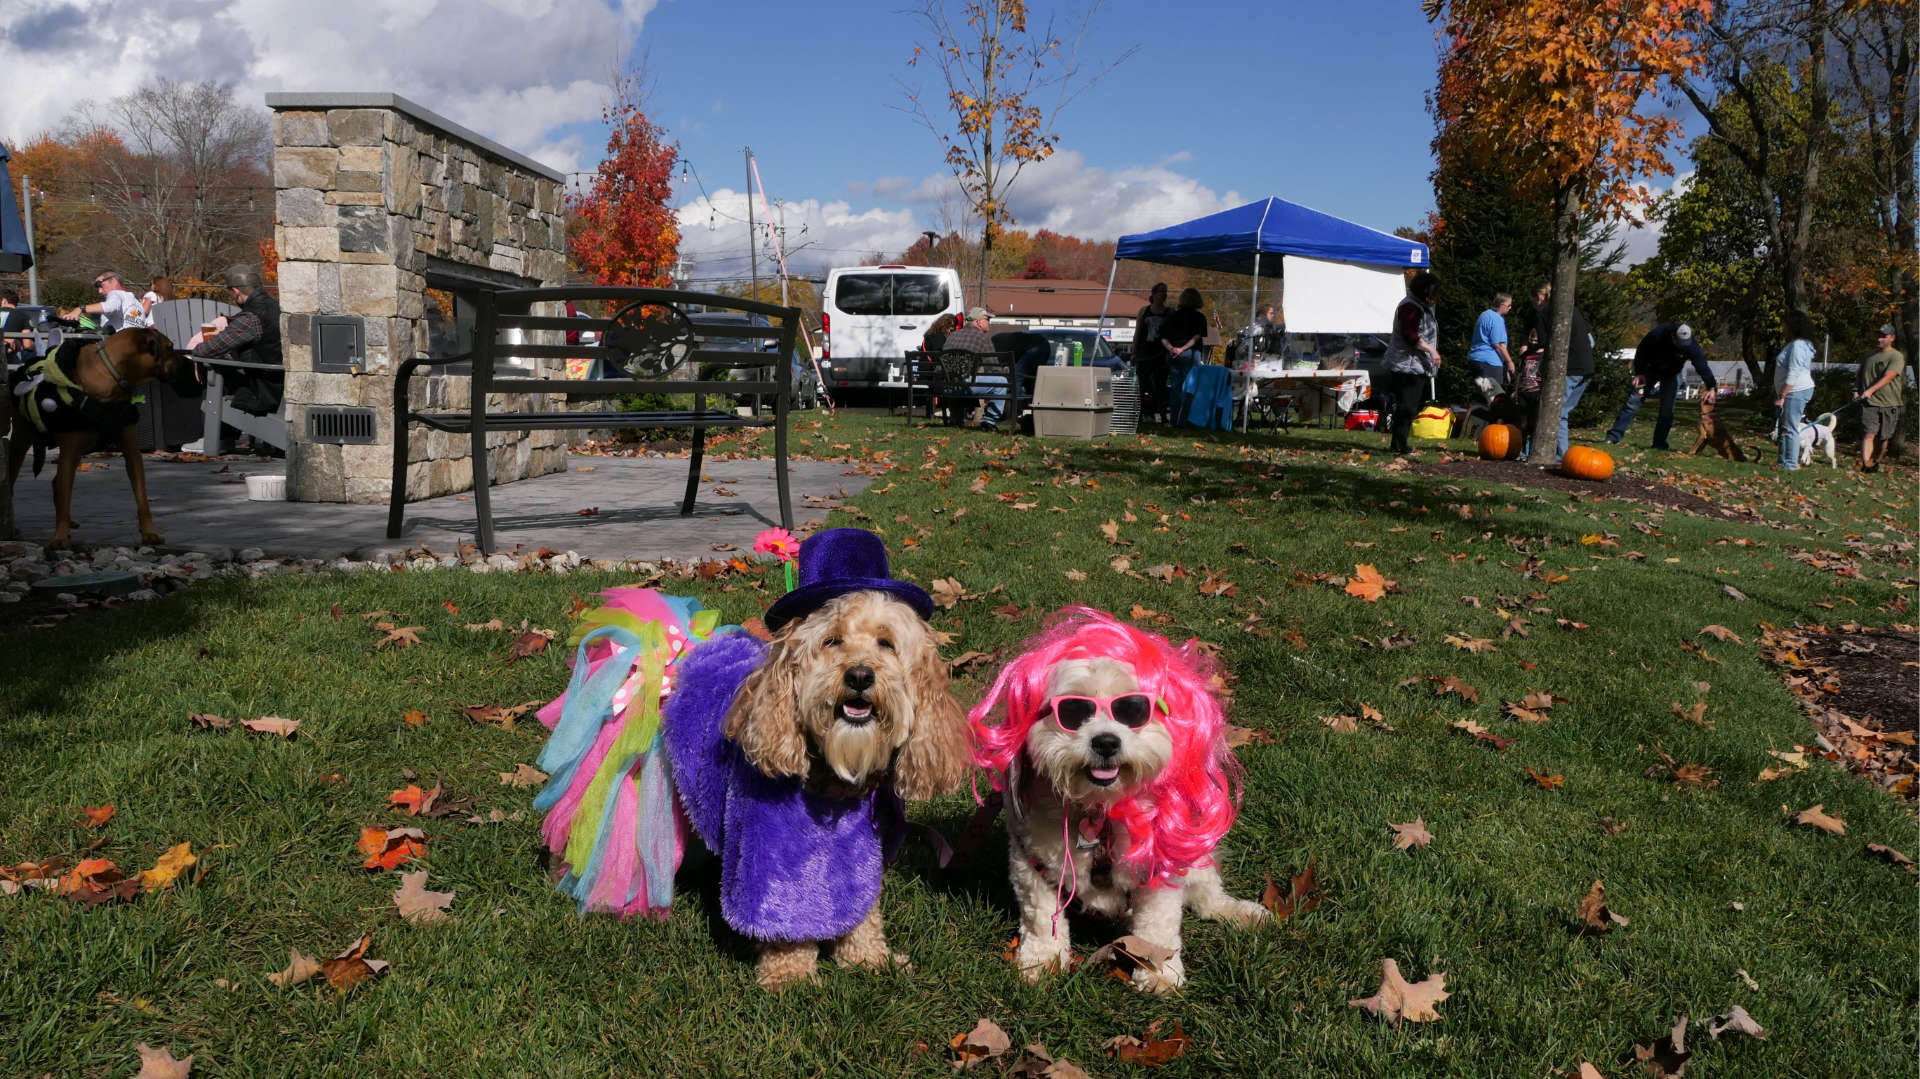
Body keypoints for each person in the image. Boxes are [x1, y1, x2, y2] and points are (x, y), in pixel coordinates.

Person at [189, 264, 283, 419]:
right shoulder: (275, 306)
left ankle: (218, 436)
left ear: (236, 291)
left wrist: (195, 352)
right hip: (275, 380)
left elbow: (208, 349)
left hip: (261, 388)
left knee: (212, 365)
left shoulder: (251, 317)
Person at [1605, 321, 1716, 449]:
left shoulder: (1691, 345)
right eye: (1679, 343)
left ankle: (1659, 443)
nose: (1682, 347)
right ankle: (1613, 437)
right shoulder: (1657, 335)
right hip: (1648, 370)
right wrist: (1640, 372)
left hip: (1672, 374)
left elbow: (1702, 365)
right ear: (1673, 336)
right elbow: (1641, 351)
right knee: (1633, 402)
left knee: (1667, 410)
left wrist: (1712, 387)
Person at [1380, 271, 1442, 454]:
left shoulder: (1418, 306)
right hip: (1406, 365)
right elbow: (1410, 335)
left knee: (1409, 406)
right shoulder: (1410, 308)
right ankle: (1398, 445)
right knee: (1407, 406)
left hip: (1415, 364)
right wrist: (1431, 350)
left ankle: (1400, 443)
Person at [1533, 283, 1595, 459]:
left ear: (1541, 297)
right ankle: (1560, 453)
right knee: (1564, 411)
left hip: (1570, 369)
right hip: (1587, 367)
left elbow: (1545, 344)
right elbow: (1591, 342)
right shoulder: (1574, 311)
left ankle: (1562, 455)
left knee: (1558, 412)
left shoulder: (1544, 314)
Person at [1854, 324, 1905, 473]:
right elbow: (1859, 375)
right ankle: (1866, 465)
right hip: (1870, 403)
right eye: (1878, 335)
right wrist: (1856, 390)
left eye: (1883, 336)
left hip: (1890, 403)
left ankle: (1876, 461)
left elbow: (1889, 376)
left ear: (1892, 338)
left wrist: (1871, 390)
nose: (1879, 338)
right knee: (1869, 433)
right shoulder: (1869, 355)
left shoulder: (1896, 356)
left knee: (1884, 438)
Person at [936, 306, 998, 428]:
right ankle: (989, 420)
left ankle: (956, 419)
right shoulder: (983, 338)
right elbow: (993, 366)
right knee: (999, 381)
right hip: (966, 386)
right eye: (987, 320)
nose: (989, 323)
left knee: (960, 375)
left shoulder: (952, 336)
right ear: (979, 322)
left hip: (946, 385)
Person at [1772, 311, 1818, 471]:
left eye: (1785, 324)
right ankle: (1782, 462)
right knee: (1785, 427)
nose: (1783, 327)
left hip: (1796, 390)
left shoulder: (1798, 345)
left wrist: (1782, 395)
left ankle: (1790, 464)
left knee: (1790, 427)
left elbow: (1794, 372)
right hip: (1795, 390)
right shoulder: (1800, 344)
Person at [1160, 287, 1208, 423]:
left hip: (1173, 354)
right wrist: (1183, 348)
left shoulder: (1172, 316)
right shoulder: (1199, 317)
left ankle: (1174, 419)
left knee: (1175, 386)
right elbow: (1197, 337)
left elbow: (1163, 336)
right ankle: (1186, 419)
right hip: (1190, 353)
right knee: (1189, 387)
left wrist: (1172, 348)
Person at [1131, 283, 1173, 424]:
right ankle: (1139, 415)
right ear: (1154, 294)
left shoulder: (1170, 313)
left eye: (1165, 292)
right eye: (1161, 292)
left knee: (1160, 386)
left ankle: (1162, 415)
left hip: (1161, 354)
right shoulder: (1144, 311)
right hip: (1144, 352)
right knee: (1142, 386)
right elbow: (1137, 333)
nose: (1163, 295)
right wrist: (1134, 351)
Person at [60, 269, 147, 331]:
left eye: (100, 285)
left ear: (113, 280)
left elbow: (109, 307)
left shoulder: (115, 293)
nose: (99, 291)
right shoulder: (135, 302)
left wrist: (79, 309)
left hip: (117, 347)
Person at [1467, 292, 1515, 403]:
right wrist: (1509, 362)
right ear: (1502, 305)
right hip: (1489, 364)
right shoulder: (1497, 319)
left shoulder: (1484, 314)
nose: (1510, 308)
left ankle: (1475, 419)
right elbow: (1499, 345)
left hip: (1476, 361)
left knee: (1480, 396)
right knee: (1493, 398)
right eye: (1509, 305)